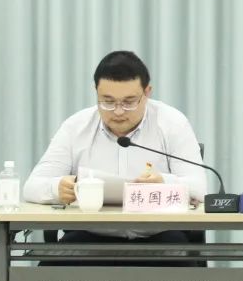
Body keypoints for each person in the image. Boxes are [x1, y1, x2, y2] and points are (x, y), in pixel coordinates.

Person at [24, 51, 207, 250]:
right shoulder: (75, 127)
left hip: (160, 238)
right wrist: (57, 188)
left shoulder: (172, 123)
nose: (118, 112)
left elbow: (200, 188)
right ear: (96, 92)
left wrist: (165, 183)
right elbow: (32, 186)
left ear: (147, 93)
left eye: (129, 102)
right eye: (108, 101)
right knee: (47, 269)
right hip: (89, 238)